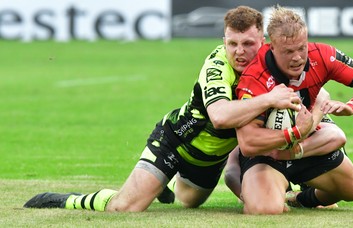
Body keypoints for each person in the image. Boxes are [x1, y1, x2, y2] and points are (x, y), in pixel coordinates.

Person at [23, 6, 305, 212]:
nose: (239, 52)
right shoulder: (218, 66)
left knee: (189, 202)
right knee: (126, 207)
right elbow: (219, 117)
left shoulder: (276, 68)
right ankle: (65, 200)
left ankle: (166, 186)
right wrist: (269, 99)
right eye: (232, 43)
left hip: (210, 160)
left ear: (263, 44)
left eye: (247, 44)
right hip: (175, 142)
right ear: (224, 42)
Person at [232, 5, 353, 215]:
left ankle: (304, 198)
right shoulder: (254, 77)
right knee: (265, 209)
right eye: (288, 51)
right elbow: (248, 142)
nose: (297, 57)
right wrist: (295, 133)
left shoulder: (321, 55)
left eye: (301, 48)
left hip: (305, 141)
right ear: (272, 48)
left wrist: (351, 106)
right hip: (267, 150)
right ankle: (254, 183)